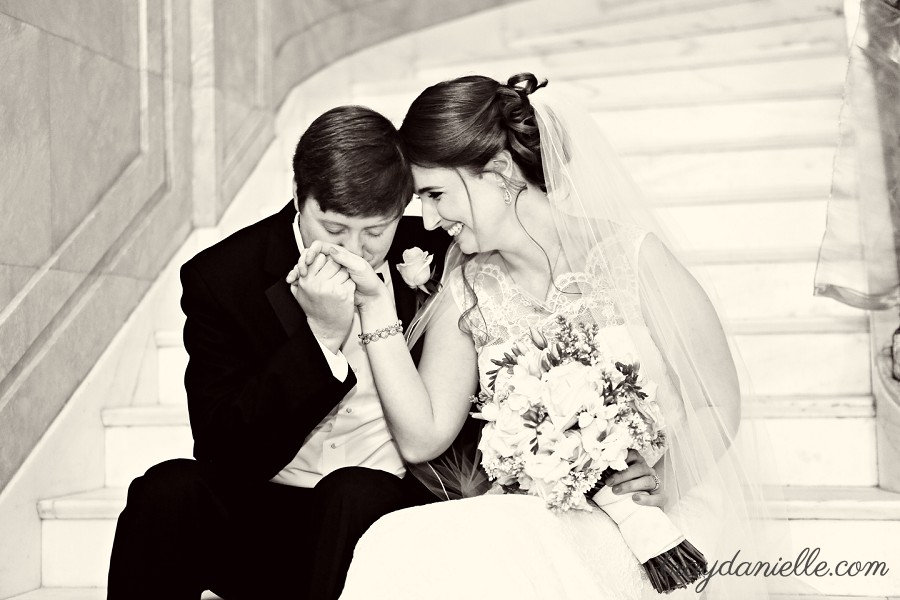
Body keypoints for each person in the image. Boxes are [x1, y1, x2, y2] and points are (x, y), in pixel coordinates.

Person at [321, 74, 777, 599]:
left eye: (435, 194)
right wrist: (375, 304)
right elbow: (423, 435)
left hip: (659, 515)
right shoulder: (470, 285)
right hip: (543, 520)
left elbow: (717, 403)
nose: (426, 218)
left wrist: (658, 482)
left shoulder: (633, 259)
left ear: (497, 171)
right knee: (397, 542)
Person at [107, 105, 450, 600]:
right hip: (265, 515)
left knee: (353, 492)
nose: (355, 251)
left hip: (379, 516)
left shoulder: (434, 254)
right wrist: (320, 339)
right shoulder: (224, 278)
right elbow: (223, 454)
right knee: (166, 492)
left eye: (376, 231)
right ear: (297, 197)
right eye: (334, 229)